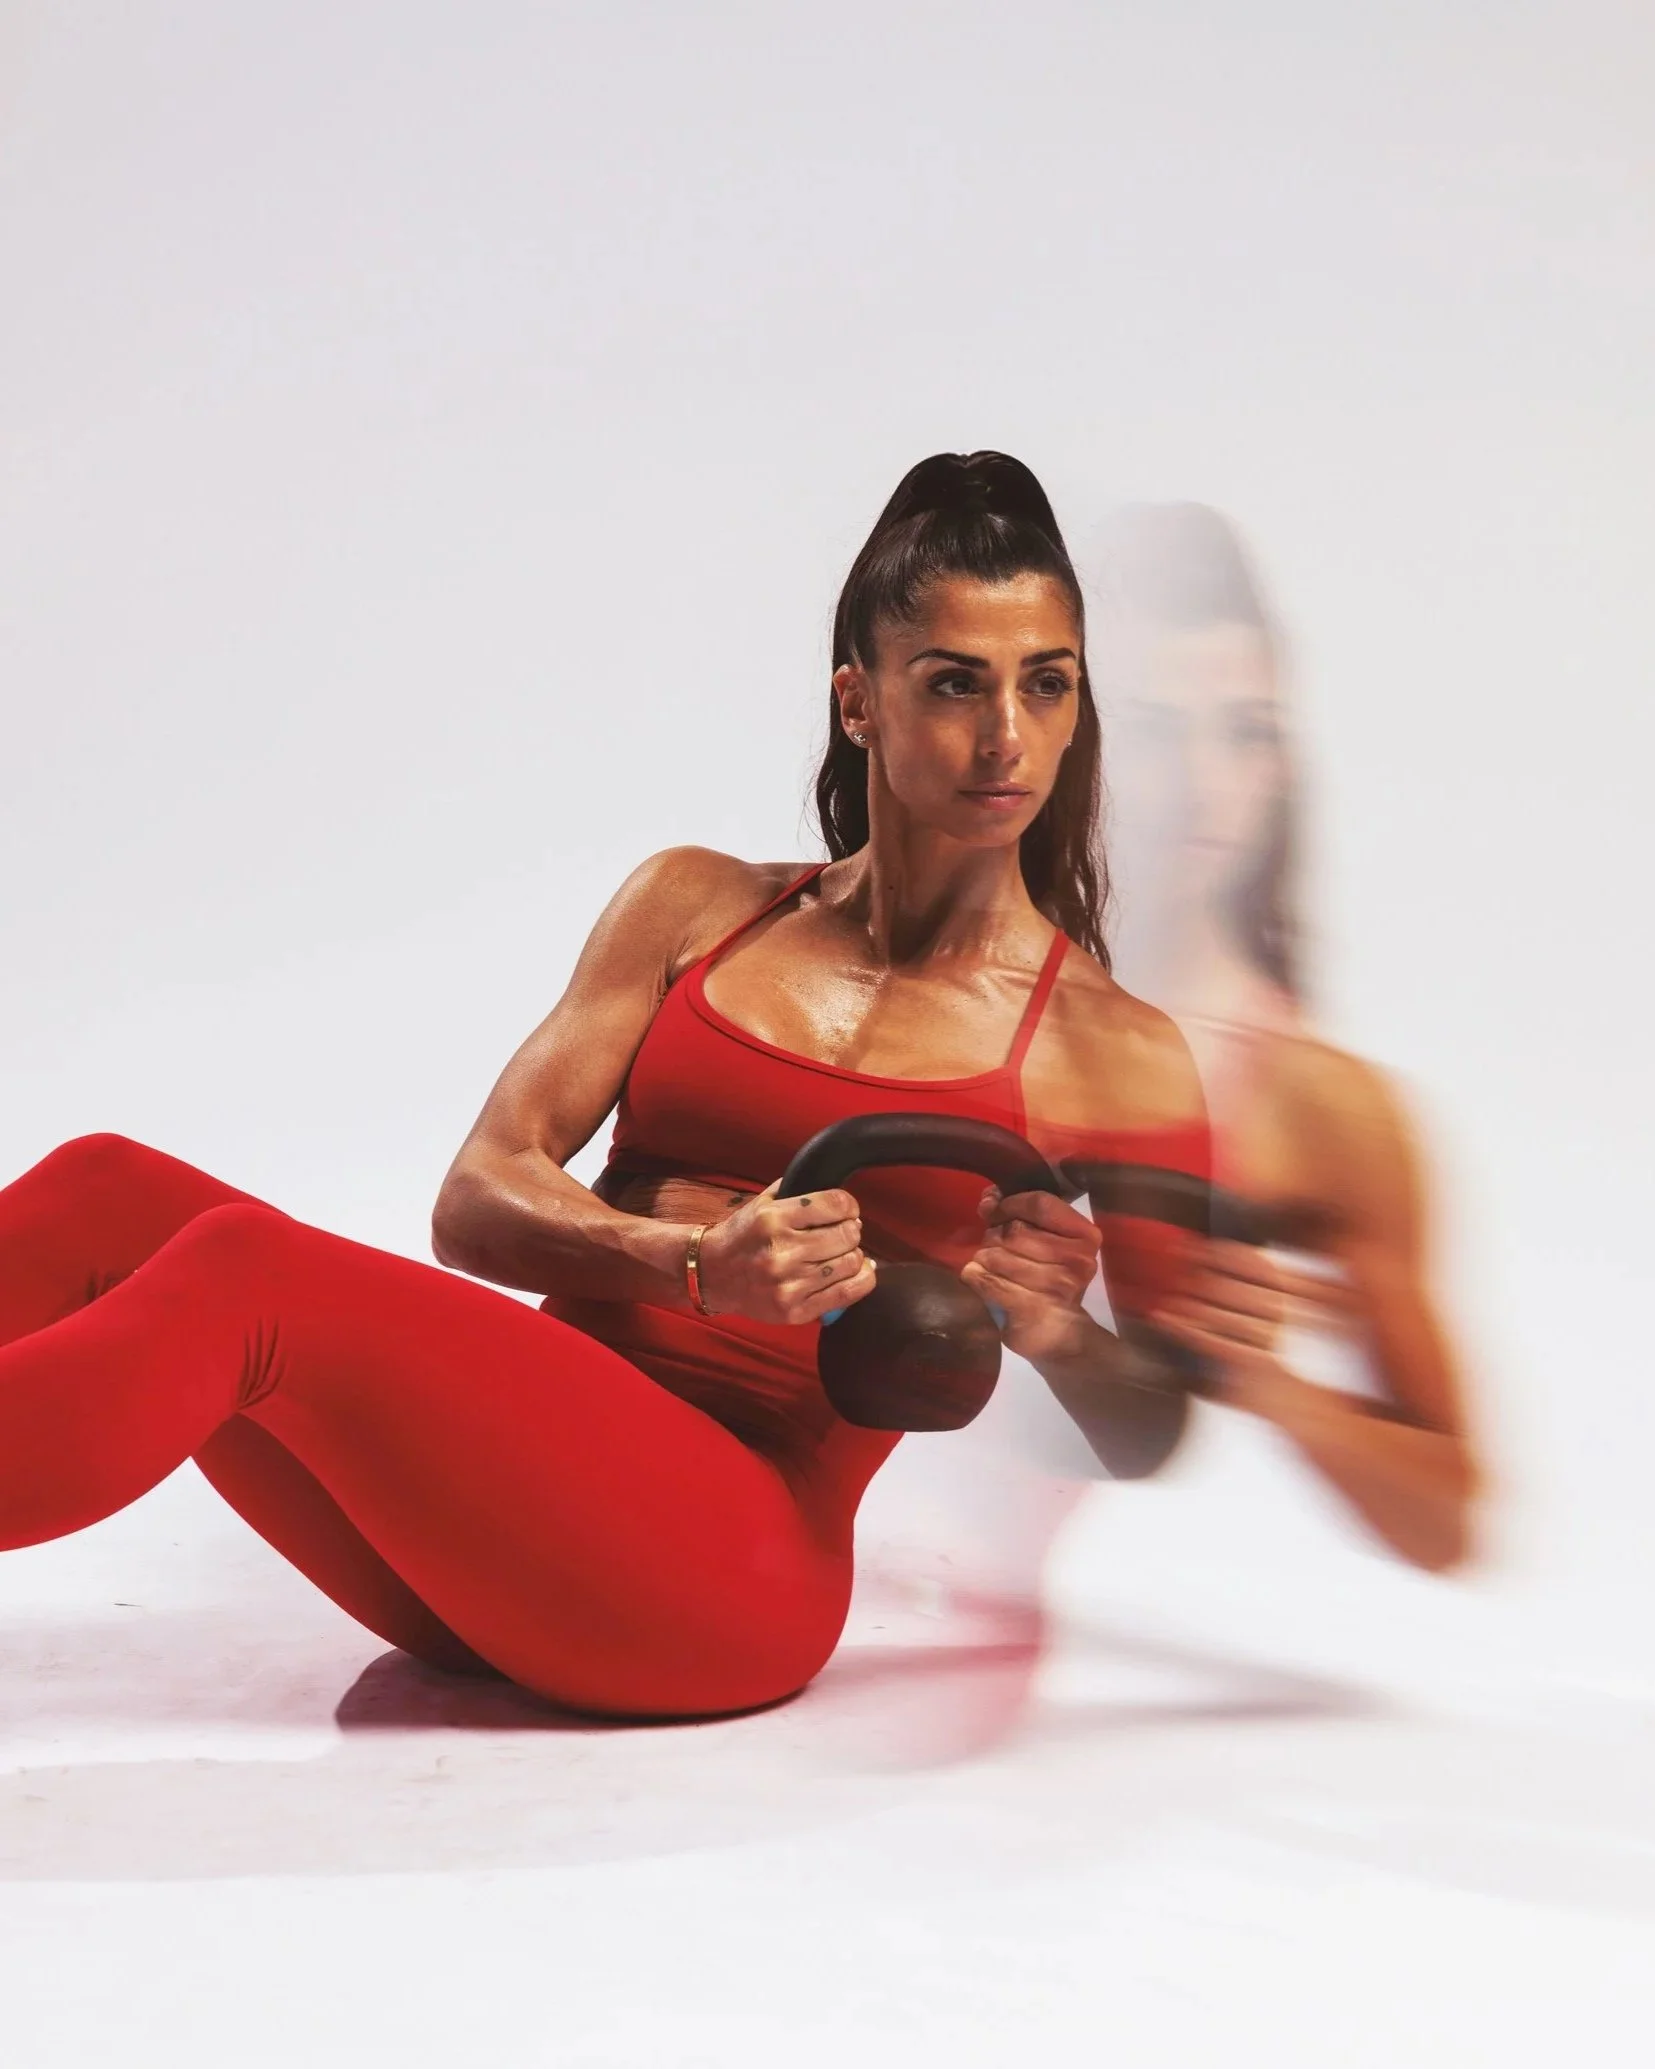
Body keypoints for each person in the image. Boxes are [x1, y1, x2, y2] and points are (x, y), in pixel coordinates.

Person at [0, 455, 1463, 1728]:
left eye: (1044, 682)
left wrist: (1050, 1334)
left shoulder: (1105, 1047)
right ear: (860, 700)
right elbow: (476, 1202)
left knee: (243, 1279)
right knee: (105, 1185)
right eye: (953, 681)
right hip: (509, 1526)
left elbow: (1150, 1421)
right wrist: (689, 1262)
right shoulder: (698, 909)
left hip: (724, 1573)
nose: (1003, 735)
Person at [1092, 501, 1481, 1569]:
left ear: (1281, 762)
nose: (1208, 783)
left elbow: (1448, 1518)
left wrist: (1270, 1385)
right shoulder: (952, 990)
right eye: (1156, 729)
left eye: (1246, 732)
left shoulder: (1320, 1106)